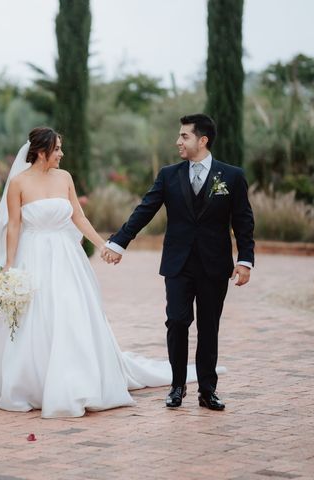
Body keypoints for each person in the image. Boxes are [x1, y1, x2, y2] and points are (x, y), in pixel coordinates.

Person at [0, 127, 191, 418]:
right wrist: (10, 267)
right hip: (32, 256)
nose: (61, 154)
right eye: (57, 149)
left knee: (70, 312)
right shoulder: (18, 183)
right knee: (34, 317)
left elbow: (78, 218)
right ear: (41, 151)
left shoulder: (64, 177)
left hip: (66, 258)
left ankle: (76, 379)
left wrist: (104, 245)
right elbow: (13, 227)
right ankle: (30, 382)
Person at [102, 114, 255, 410]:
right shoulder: (169, 175)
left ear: (203, 140)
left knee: (209, 327)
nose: (178, 142)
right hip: (178, 264)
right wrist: (119, 241)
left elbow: (243, 220)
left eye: (184, 136)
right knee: (176, 322)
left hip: (214, 264)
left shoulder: (231, 176)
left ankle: (208, 390)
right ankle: (176, 386)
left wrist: (245, 259)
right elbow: (144, 210)